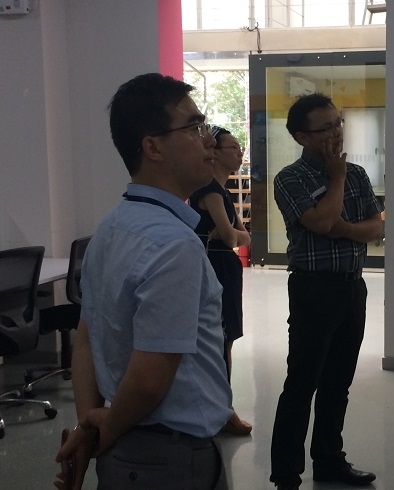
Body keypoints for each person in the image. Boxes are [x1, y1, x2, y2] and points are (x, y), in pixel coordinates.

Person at [54, 73, 233, 490]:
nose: (209, 140)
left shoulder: (110, 229)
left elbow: (87, 337)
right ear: (153, 147)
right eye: (194, 127)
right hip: (169, 458)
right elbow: (150, 380)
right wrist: (105, 430)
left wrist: (90, 427)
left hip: (128, 447)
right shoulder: (174, 245)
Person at [269, 93, 385, 490]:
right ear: (301, 137)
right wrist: (335, 179)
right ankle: (286, 474)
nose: (336, 133)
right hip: (313, 289)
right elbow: (320, 223)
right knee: (302, 383)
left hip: (352, 287)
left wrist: (344, 229)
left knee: (339, 383)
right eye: (326, 128)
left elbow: (376, 227)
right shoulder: (290, 178)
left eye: (338, 123)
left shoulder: (358, 174)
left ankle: (329, 461)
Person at [190, 125, 253, 436]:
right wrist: (230, 234)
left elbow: (244, 237)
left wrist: (231, 233)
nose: (240, 153)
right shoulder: (210, 191)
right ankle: (222, 410)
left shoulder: (223, 192)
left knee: (225, 339)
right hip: (216, 267)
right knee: (219, 339)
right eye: (234, 148)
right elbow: (231, 238)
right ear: (214, 153)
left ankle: (220, 407)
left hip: (226, 266)